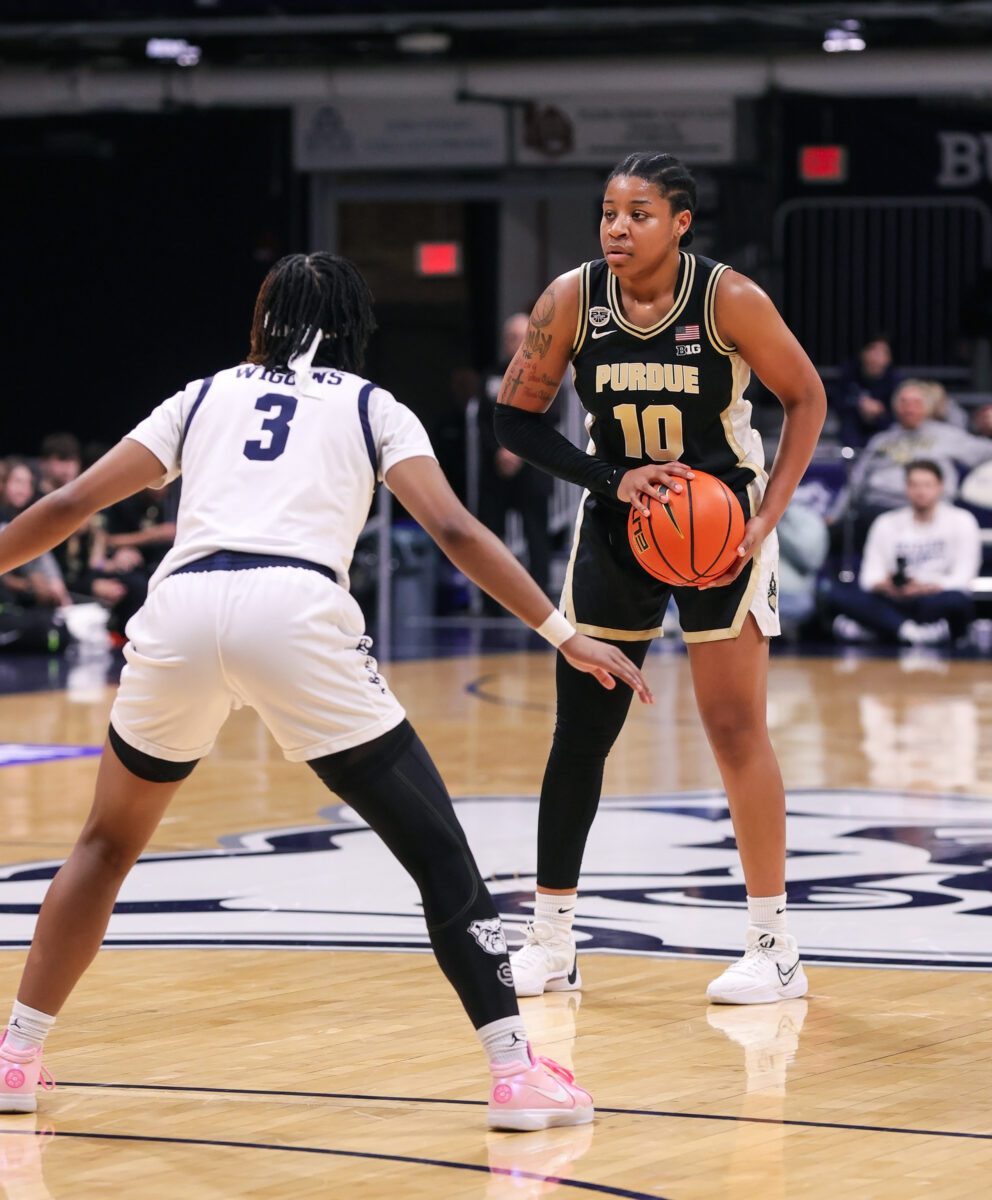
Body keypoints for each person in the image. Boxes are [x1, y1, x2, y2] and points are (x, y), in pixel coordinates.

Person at [0, 252, 657, 1129]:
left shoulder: (199, 397)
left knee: (105, 844)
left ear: (262, 317)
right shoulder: (371, 404)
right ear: (357, 329)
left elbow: (69, 504)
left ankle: (16, 1055)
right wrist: (563, 633)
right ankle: (515, 1075)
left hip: (181, 608)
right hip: (296, 612)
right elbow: (458, 530)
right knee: (440, 857)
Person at [493, 151, 826, 1005]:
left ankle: (773, 945)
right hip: (617, 526)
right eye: (608, 211)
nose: (616, 227)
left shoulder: (729, 300)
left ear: (681, 223)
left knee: (732, 727)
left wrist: (768, 515)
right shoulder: (571, 300)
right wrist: (610, 480)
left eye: (638, 213)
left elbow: (806, 396)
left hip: (720, 533)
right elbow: (514, 420)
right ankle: (552, 941)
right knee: (581, 734)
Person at [829, 379, 992, 550]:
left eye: (916, 402)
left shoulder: (947, 436)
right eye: (904, 402)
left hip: (929, 509)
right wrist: (835, 514)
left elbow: (986, 451)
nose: (909, 408)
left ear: (927, 406)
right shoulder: (881, 440)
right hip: (878, 509)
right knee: (838, 532)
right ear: (895, 406)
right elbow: (855, 481)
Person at [830, 460, 980, 645]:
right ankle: (912, 632)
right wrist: (887, 585)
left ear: (940, 487)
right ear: (906, 488)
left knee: (956, 601)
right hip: (895, 597)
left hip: (935, 596)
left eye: (927, 485)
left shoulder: (962, 520)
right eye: (914, 485)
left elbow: (963, 578)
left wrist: (925, 586)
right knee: (835, 593)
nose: (921, 491)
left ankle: (883, 628)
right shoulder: (886, 522)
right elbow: (869, 578)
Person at [477, 313, 556, 606]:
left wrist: (517, 450)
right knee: (491, 536)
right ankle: (491, 603)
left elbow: (551, 417)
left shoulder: (546, 373)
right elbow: (483, 421)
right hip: (496, 469)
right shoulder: (492, 375)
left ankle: (541, 606)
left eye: (522, 337)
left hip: (532, 467)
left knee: (537, 537)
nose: (516, 343)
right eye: (511, 337)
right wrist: (500, 451)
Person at [834, 334, 896, 448]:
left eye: (882, 353)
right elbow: (838, 402)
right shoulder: (849, 375)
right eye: (872, 350)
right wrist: (860, 405)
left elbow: (897, 414)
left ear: (889, 358)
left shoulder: (894, 381)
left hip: (884, 428)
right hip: (853, 429)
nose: (876, 357)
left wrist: (880, 410)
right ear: (863, 353)